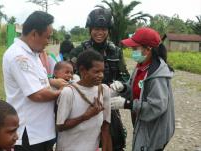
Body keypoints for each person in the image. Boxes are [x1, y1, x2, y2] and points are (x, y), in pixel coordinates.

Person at [69, 8, 129, 150]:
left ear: (108, 30)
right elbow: (65, 71)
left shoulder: (116, 51)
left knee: (115, 141)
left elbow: (126, 77)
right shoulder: (79, 50)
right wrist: (74, 77)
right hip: (83, 104)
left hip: (108, 102)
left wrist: (121, 85)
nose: (99, 33)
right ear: (90, 29)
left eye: (103, 29)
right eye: (96, 29)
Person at [2, 11, 62, 151]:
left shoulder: (33, 54)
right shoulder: (19, 56)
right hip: (30, 133)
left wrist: (52, 82)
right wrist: (64, 92)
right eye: (47, 37)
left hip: (41, 131)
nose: (48, 42)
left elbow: (38, 81)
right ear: (34, 34)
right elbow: (36, 94)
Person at [110, 27, 175, 151]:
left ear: (148, 49)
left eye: (135, 48)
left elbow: (156, 106)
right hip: (142, 123)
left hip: (154, 129)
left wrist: (128, 104)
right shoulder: (141, 65)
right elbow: (134, 88)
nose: (132, 51)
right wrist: (123, 88)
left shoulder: (157, 75)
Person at [56, 50, 112, 151]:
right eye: (96, 71)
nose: (101, 75)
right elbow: (60, 126)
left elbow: (105, 127)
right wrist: (85, 116)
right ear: (82, 70)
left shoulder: (104, 90)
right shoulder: (69, 92)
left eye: (102, 71)